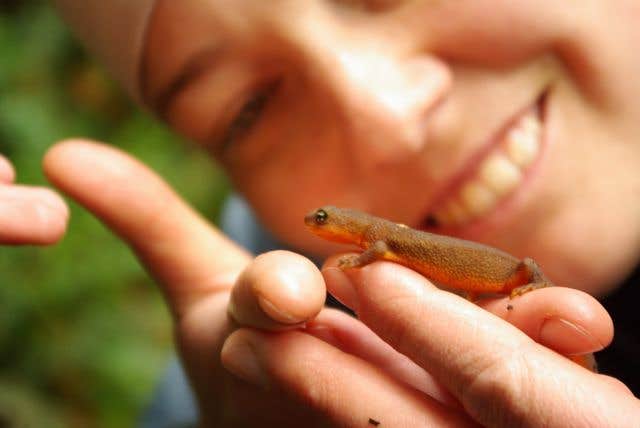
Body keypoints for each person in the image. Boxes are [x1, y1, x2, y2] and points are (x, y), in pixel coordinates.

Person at [12, 0, 638, 426]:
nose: (388, 118)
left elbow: (380, 254)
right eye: (247, 109)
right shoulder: (277, 310)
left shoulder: (373, 242)